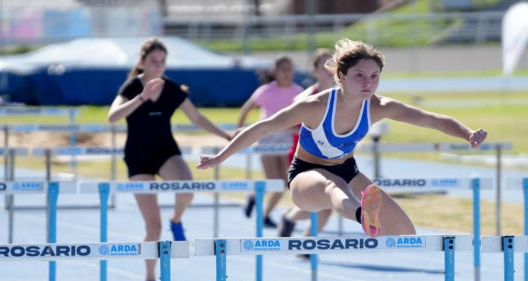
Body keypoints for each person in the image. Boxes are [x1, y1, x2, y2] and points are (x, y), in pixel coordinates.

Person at [198, 38, 487, 238]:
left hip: (348, 171)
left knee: (405, 233)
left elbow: (431, 119)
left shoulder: (379, 107)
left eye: (374, 76)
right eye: (360, 75)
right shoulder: (315, 106)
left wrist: (466, 133)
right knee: (331, 186)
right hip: (305, 176)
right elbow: (262, 128)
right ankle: (364, 218)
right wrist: (220, 157)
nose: (368, 83)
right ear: (341, 76)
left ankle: (369, 217)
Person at [108, 37, 234, 281]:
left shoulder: (172, 88)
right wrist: (141, 98)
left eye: (162, 61)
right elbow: (113, 117)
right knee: (153, 228)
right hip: (139, 158)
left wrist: (226, 136)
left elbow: (196, 117)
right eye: (153, 61)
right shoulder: (132, 86)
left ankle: (176, 219)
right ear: (142, 62)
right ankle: (150, 280)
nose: (158, 65)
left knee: (187, 190)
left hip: (166, 152)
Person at [238, 55, 304, 228]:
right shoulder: (267, 90)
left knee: (284, 182)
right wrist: (239, 129)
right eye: (283, 69)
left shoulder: (298, 91)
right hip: (267, 139)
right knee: (274, 181)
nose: (287, 73)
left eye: (290, 69)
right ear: (275, 72)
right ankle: (255, 200)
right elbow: (246, 108)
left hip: (286, 140)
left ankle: (263, 213)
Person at [278, 49, 336, 243]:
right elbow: (289, 127)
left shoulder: (342, 97)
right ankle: (291, 220)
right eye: (324, 66)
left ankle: (304, 241)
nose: (329, 70)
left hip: (331, 158)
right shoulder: (304, 98)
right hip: (303, 158)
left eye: (333, 65)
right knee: (322, 204)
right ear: (315, 71)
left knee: (326, 207)